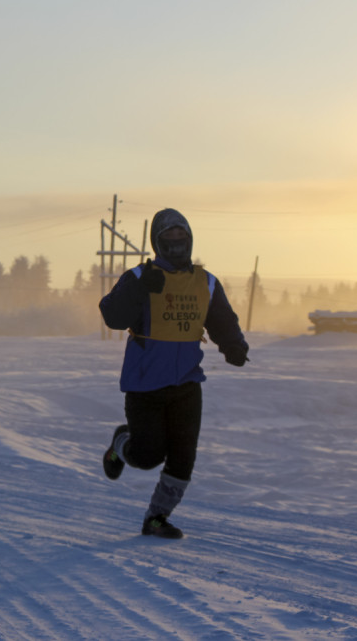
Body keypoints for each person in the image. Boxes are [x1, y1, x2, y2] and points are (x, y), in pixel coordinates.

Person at [99, 208, 250, 538]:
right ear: (157, 242)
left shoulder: (206, 282)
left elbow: (222, 319)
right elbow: (112, 315)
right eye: (169, 239)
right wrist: (138, 291)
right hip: (145, 386)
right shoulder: (139, 278)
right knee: (149, 455)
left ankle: (156, 518)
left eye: (182, 238)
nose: (177, 244)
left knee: (183, 457)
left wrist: (234, 346)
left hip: (187, 383)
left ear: (190, 240)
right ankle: (121, 443)